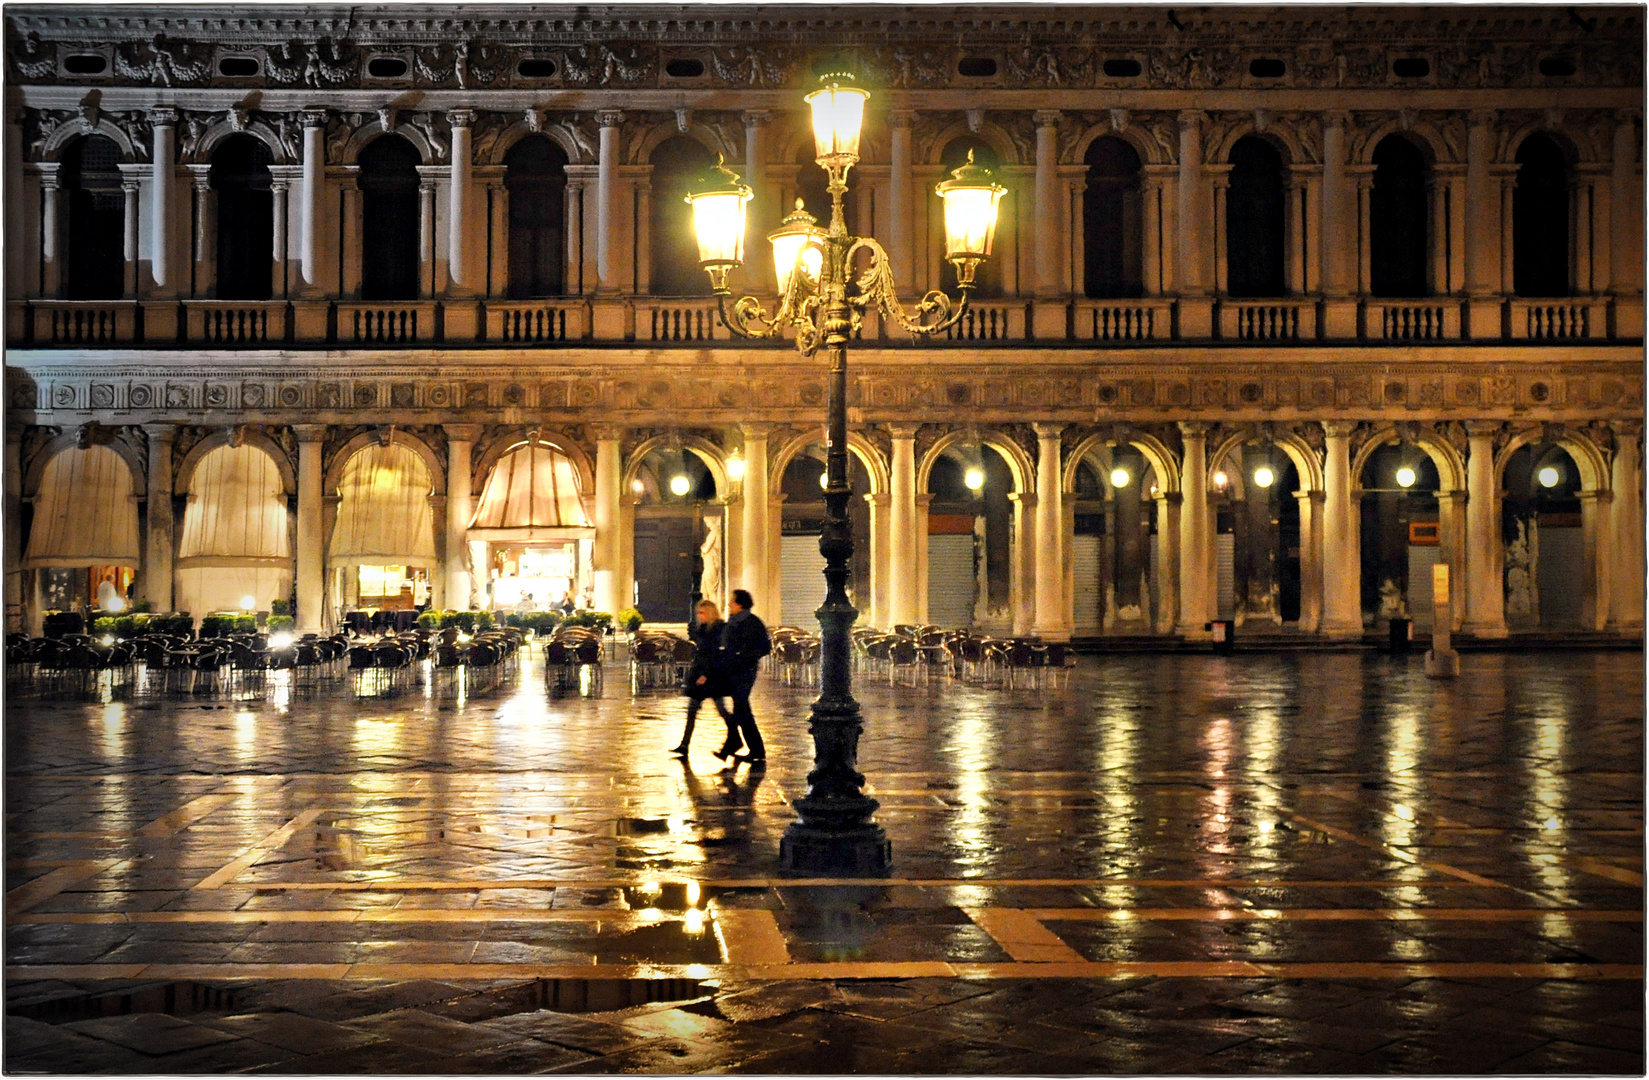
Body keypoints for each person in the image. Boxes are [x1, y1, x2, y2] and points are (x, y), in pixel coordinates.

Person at [716, 588, 772, 766]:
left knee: (741, 708)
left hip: (745, 671)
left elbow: (764, 647)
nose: (728, 604)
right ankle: (752, 749)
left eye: (732, 601)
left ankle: (744, 746)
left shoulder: (752, 622)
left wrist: (743, 655)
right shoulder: (733, 622)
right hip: (732, 671)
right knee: (741, 710)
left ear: (740, 604)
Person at [671, 600, 733, 757]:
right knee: (692, 710)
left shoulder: (719, 629)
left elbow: (716, 655)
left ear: (710, 613)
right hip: (700, 675)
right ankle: (684, 745)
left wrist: (706, 674)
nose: (699, 616)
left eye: (702, 613)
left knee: (721, 710)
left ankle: (735, 736)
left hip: (711, 678)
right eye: (698, 613)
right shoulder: (704, 629)